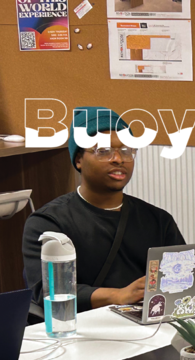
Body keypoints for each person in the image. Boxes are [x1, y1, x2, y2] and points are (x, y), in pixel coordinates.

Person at [23, 107, 186, 312]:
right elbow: (47, 292)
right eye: (104, 151)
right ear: (79, 159)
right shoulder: (48, 222)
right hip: (82, 329)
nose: (118, 159)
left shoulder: (158, 220)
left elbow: (183, 278)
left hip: (148, 325)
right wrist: (118, 295)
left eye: (126, 150)